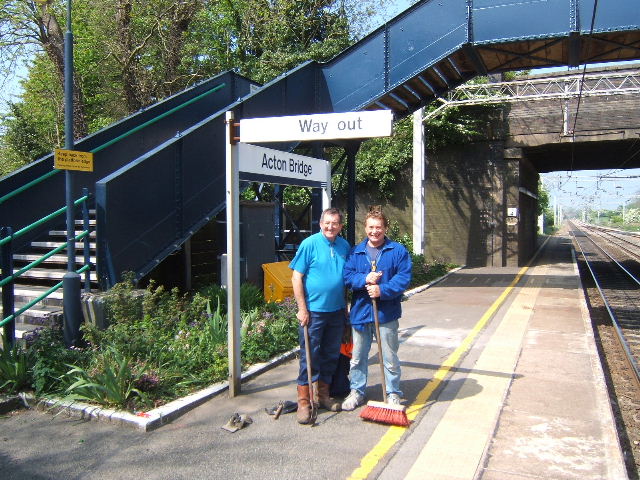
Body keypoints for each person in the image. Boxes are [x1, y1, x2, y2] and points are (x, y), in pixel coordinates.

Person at [341, 210, 412, 411]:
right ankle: (357, 391)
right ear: (365, 228)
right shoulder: (355, 252)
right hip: (361, 313)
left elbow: (403, 278)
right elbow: (347, 277)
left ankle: (392, 393)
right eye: (371, 227)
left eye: (378, 227)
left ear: (385, 228)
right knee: (357, 358)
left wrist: (382, 290)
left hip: (386, 314)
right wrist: (365, 279)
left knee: (389, 357)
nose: (375, 231)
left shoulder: (397, 251)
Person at [289, 207, 350, 424]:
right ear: (320, 223)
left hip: (336, 312)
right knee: (310, 357)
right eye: (327, 222)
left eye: (335, 223)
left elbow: (344, 281)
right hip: (313, 313)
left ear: (340, 226)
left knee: (331, 355)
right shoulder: (310, 244)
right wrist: (302, 309)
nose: (330, 227)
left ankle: (323, 396)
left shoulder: (344, 246)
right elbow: (296, 277)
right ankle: (304, 402)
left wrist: (345, 308)